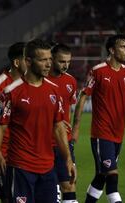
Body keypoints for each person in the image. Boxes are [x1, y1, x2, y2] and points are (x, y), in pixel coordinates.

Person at [0, 39, 76, 202]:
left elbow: (59, 127)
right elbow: (0, 129)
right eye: (43, 60)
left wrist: (68, 159)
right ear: (28, 61)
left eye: (49, 59)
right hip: (20, 168)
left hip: (48, 168)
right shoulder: (11, 92)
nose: (48, 64)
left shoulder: (54, 91)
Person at [71, 34, 125, 203]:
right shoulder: (98, 71)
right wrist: (76, 127)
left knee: (102, 176)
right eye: (123, 46)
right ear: (112, 50)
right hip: (101, 133)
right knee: (112, 175)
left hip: (118, 133)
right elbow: (83, 97)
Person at [0, 42, 27, 203]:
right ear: (16, 62)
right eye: (27, 59)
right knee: (9, 198)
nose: (31, 62)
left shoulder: (29, 83)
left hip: (24, 152)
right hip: (4, 153)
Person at [48, 43, 78, 203]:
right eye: (61, 62)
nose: (65, 65)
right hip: (43, 143)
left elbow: (70, 107)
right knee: (50, 188)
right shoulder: (41, 80)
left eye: (68, 62)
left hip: (63, 143)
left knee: (70, 185)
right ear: (51, 59)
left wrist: (70, 129)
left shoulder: (71, 82)